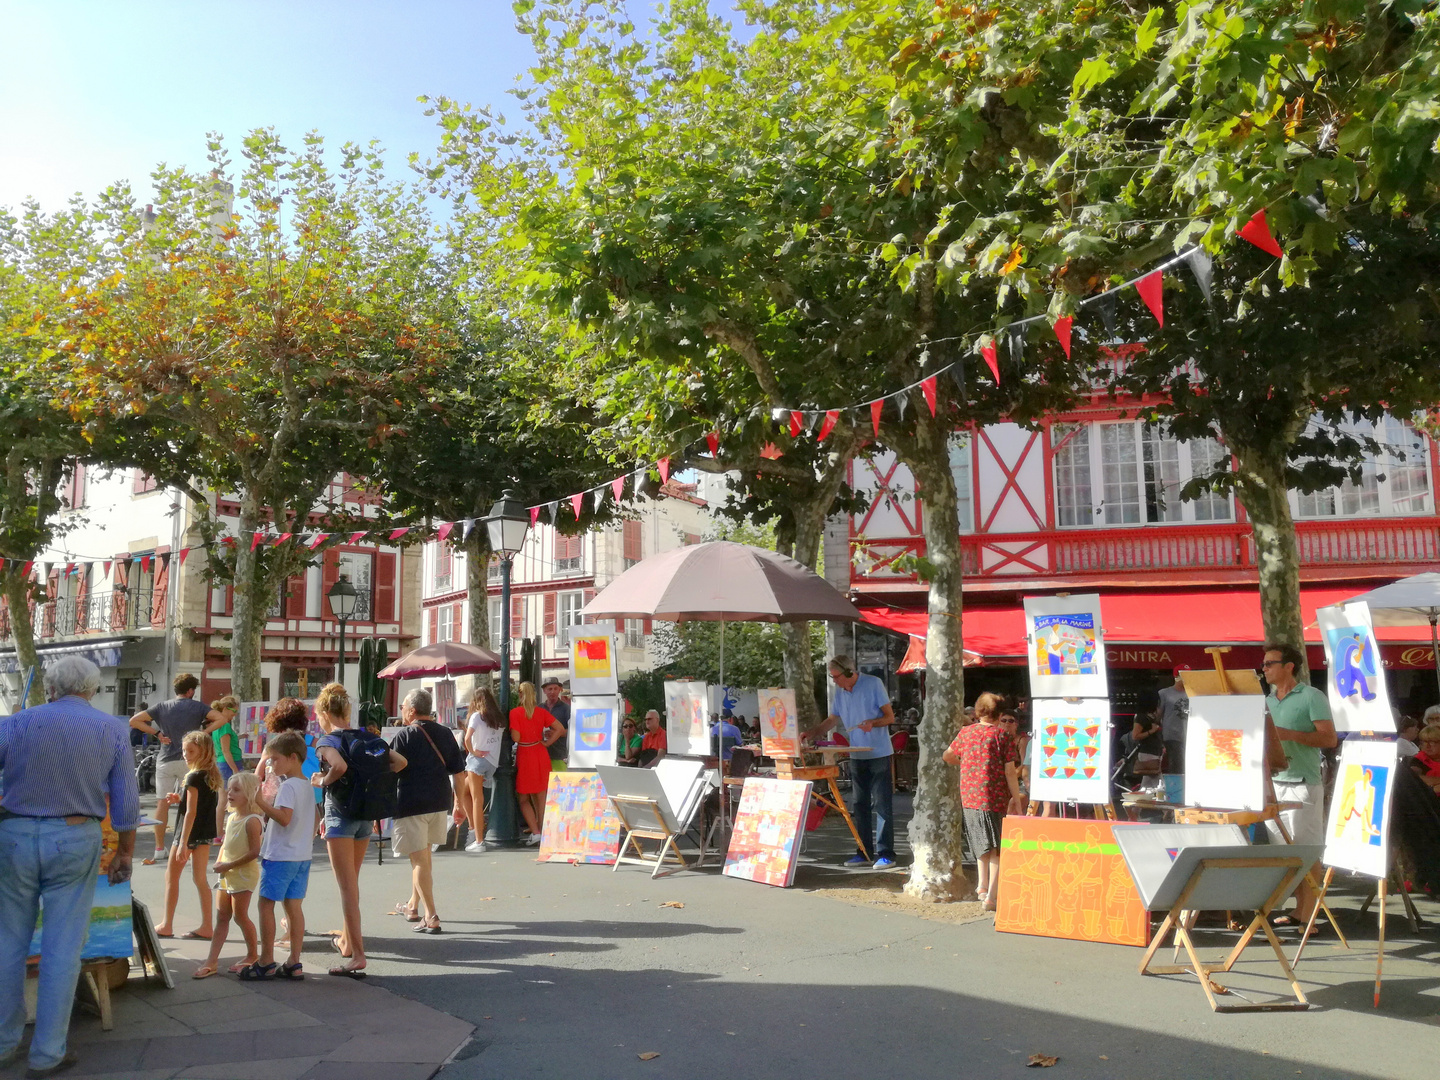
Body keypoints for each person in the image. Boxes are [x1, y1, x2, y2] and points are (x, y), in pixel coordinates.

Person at [0, 656, 138, 1078]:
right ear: (93, 690)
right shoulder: (112, 728)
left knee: (8, 941)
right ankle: (47, 1053)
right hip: (76, 835)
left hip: (15, 834)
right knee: (63, 947)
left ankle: (3, 1042)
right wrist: (125, 853)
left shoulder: (15, 723)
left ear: (51, 688)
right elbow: (127, 802)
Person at [312, 682, 405, 977]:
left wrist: (321, 780)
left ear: (324, 712)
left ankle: (358, 955)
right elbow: (400, 762)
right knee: (353, 884)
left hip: (340, 814)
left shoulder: (327, 741)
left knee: (346, 888)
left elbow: (336, 767)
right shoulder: (367, 736)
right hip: (367, 814)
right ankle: (348, 942)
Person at [1262, 642, 1338, 927]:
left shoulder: (1311, 696)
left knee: (1307, 848)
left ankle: (1309, 914)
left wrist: (1288, 734)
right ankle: (1298, 909)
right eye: (1264, 664)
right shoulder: (1267, 700)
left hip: (1303, 782)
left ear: (1289, 666)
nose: (1264, 668)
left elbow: (1329, 739)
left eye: (1270, 663)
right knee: (1283, 850)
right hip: (1273, 783)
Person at [129, 673, 226, 863]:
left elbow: (135, 720)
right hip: (190, 759)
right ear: (190, 691)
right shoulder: (197, 707)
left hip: (165, 759)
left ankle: (158, 847)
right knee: (191, 804)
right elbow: (221, 718)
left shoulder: (162, 707)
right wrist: (201, 733)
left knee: (162, 804)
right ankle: (190, 843)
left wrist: (156, 733)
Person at [390, 690, 466, 933]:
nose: (401, 710)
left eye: (403, 706)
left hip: (412, 801)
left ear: (412, 710)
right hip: (439, 800)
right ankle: (412, 905)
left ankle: (431, 915)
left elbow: (389, 769)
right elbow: (458, 772)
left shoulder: (404, 735)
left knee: (419, 859)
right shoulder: (445, 733)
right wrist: (459, 803)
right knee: (423, 857)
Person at [243, 732, 315, 981]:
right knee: (294, 906)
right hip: (301, 855)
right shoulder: (306, 785)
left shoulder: (287, 786)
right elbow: (312, 819)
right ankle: (294, 961)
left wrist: (260, 802)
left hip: (281, 855)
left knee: (265, 904)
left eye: (274, 759)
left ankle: (266, 960)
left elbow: (284, 818)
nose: (271, 765)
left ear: (292, 758)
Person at [943, 691, 1024, 910]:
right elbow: (1009, 772)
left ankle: (981, 885)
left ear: (978, 712)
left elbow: (948, 755)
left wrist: (966, 762)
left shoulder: (966, 733)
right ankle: (991, 895)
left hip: (969, 794)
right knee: (997, 846)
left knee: (979, 840)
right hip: (994, 796)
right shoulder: (1002, 737)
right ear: (999, 715)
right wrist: (1016, 799)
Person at [816, 655, 897, 869]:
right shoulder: (840, 693)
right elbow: (832, 719)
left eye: (836, 677)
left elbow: (890, 718)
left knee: (882, 804)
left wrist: (873, 722)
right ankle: (863, 851)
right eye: (832, 677)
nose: (834, 681)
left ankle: (886, 853)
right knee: (859, 805)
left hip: (878, 752)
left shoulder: (873, 684)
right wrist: (812, 732)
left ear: (850, 673)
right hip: (856, 755)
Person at [193, 772, 263, 979]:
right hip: (226, 873)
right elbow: (225, 844)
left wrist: (229, 865)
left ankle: (252, 954)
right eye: (230, 789)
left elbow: (254, 852)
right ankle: (211, 961)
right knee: (222, 916)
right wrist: (220, 861)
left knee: (240, 916)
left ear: (250, 794)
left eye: (236, 790)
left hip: (243, 875)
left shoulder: (252, 821)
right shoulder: (232, 817)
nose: (230, 793)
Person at [154, 732, 221, 940]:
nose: (185, 755)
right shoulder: (210, 775)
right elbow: (198, 804)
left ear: (204, 751)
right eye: (184, 750)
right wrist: (179, 799)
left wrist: (183, 842)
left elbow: (191, 812)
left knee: (171, 877)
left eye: (191, 751)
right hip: (204, 833)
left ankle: (167, 924)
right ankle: (208, 925)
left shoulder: (193, 776)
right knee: (201, 879)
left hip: (188, 833)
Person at [510, 682, 565, 844]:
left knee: (523, 798)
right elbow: (560, 729)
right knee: (541, 797)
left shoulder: (515, 712)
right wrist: (547, 743)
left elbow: (516, 738)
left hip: (525, 754)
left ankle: (535, 831)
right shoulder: (540, 712)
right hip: (540, 752)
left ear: (520, 695)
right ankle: (542, 830)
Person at [460, 687, 505, 853]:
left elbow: (467, 738)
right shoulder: (498, 718)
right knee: (463, 791)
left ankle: (479, 840)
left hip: (477, 761)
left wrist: (473, 751)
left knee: (477, 800)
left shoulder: (477, 716)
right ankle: (473, 829)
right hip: (492, 762)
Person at [1157, 668, 1189, 773]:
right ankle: (1176, 787)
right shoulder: (1164, 693)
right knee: (1176, 766)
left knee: (1187, 765)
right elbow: (1158, 715)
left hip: (1189, 735)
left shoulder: (1193, 693)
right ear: (1177, 676)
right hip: (1172, 735)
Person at [211, 694, 242, 789]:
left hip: (222, 763)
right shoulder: (225, 725)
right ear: (225, 709)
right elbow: (226, 750)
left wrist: (240, 737)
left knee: (223, 798)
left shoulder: (216, 724)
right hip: (229, 764)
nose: (235, 714)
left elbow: (224, 742)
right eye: (234, 711)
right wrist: (235, 769)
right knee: (231, 795)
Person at [540, 676, 571, 772]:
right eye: (549, 689)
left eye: (555, 689)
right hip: (541, 753)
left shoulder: (566, 708)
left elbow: (572, 731)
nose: (552, 692)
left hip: (559, 754)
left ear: (560, 690)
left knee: (559, 784)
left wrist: (557, 733)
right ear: (544, 691)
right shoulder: (539, 708)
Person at [1411, 724, 1440, 793]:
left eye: (1432, 742)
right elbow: (1413, 777)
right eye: (1424, 742)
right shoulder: (1418, 760)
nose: (1427, 746)